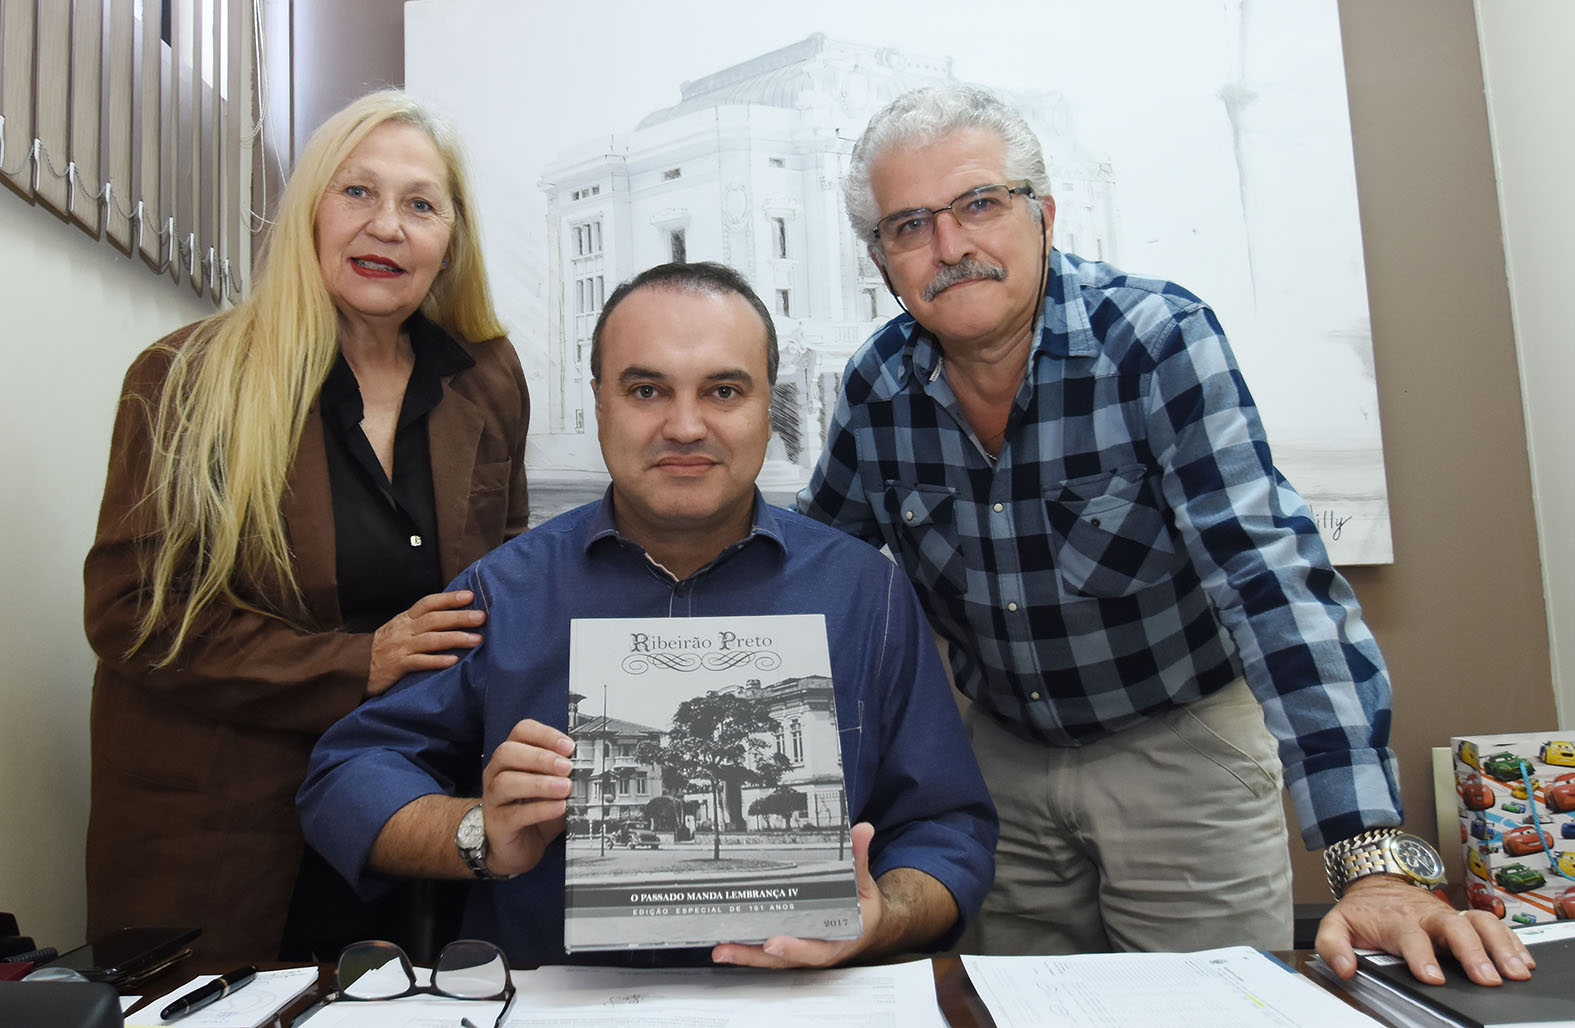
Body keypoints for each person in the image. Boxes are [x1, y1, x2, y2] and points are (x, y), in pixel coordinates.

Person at [798, 84, 1531, 987]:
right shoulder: (878, 383)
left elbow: (1268, 578)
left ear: (1043, 213)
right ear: (881, 257)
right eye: (910, 225)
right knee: (1009, 1008)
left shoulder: (1154, 338)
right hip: (997, 764)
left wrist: (1369, 853)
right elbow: (813, 574)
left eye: (980, 204)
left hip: (1179, 746)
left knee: (1211, 1005)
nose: (951, 247)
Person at [297, 261, 997, 968]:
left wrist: (884, 919)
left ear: (767, 408)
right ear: (600, 401)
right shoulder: (504, 591)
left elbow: (947, 827)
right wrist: (480, 833)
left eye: (723, 390)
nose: (684, 426)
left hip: (805, 1006)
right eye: (645, 389)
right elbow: (346, 779)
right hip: (561, 1008)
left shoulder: (864, 594)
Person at [83, 89, 530, 963]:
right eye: (356, 192)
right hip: (234, 834)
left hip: (419, 824)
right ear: (308, 214)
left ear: (450, 243)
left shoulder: (486, 379)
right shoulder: (183, 378)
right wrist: (356, 663)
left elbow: (507, 573)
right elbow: (134, 612)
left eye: (419, 204)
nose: (387, 227)